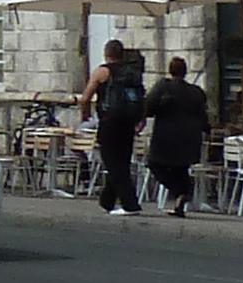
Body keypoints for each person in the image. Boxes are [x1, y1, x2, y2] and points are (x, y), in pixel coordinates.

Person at [142, 56, 213, 215]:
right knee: (181, 169)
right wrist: (207, 130)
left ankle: (182, 192)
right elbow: (203, 115)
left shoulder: (163, 87)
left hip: (166, 137)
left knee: (155, 165)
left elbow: (148, 107)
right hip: (190, 139)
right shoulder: (196, 92)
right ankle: (180, 201)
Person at [84, 39, 148, 215]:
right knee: (122, 161)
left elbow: (85, 98)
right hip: (128, 122)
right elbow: (141, 96)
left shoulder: (102, 72)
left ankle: (130, 204)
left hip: (109, 121)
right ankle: (107, 201)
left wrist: (84, 111)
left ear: (106, 54)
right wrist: (141, 118)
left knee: (113, 163)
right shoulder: (132, 73)